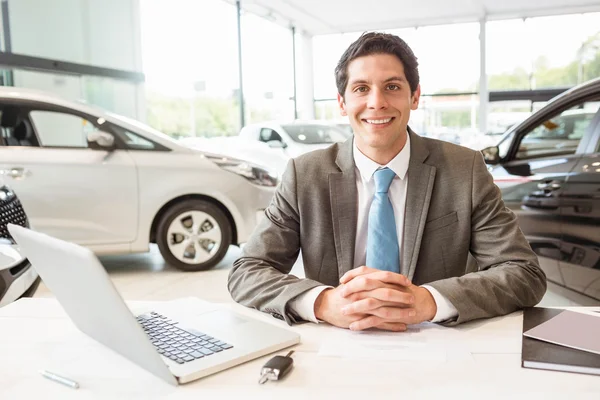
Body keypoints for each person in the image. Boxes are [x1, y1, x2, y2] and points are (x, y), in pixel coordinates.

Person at [228, 32, 546, 331]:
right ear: (342, 103)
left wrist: (430, 301)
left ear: (415, 96)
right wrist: (324, 303)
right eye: (361, 88)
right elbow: (247, 271)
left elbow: (524, 273)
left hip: (438, 345)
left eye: (392, 86)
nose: (376, 102)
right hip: (337, 345)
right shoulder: (304, 175)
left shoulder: (465, 170)